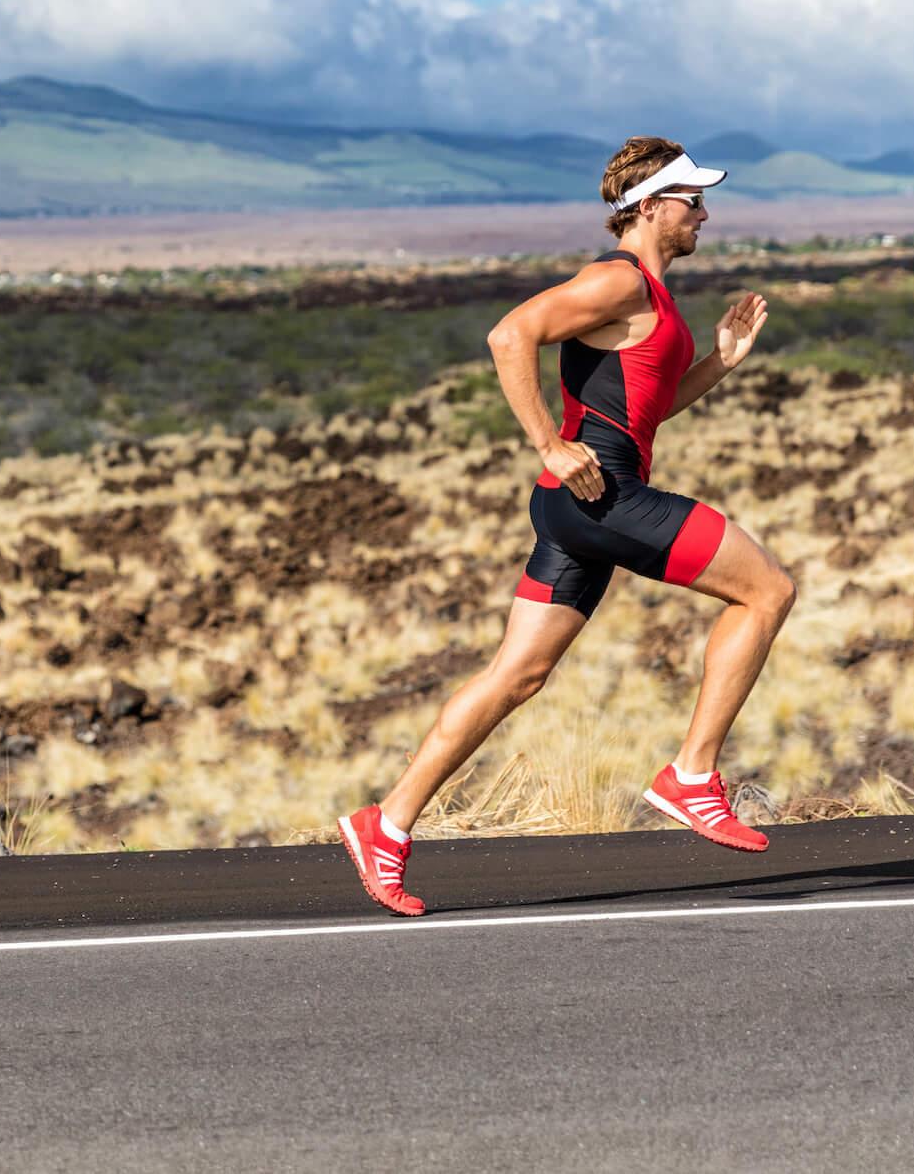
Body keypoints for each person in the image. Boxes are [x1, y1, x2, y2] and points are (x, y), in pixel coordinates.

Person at [338, 136, 796, 916]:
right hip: (599, 494)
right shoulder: (617, 281)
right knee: (767, 590)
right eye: (691, 201)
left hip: (576, 503)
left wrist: (719, 362)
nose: (704, 214)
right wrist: (550, 443)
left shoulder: (650, 294)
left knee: (516, 675)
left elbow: (645, 411)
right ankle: (691, 774)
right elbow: (508, 335)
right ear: (649, 207)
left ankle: (385, 823)